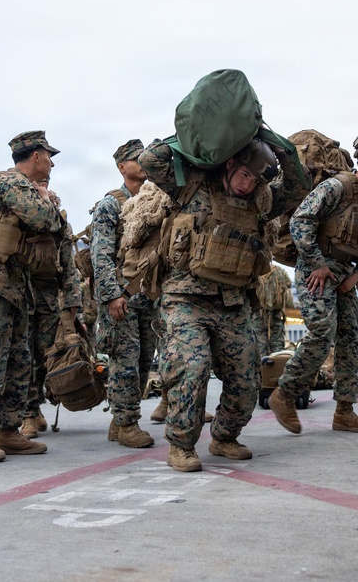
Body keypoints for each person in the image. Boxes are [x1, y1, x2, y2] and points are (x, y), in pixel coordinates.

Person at [140, 137, 306, 471]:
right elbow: (150, 160)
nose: (249, 185)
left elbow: (299, 187)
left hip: (232, 301)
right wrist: (201, 141)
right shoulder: (192, 185)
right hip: (185, 298)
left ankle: (224, 437)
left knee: (246, 376)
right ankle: (181, 445)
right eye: (245, 175)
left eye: (256, 181)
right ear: (230, 164)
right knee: (193, 366)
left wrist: (276, 144)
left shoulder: (260, 200)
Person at [269, 136, 358, 435]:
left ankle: (345, 410)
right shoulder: (336, 187)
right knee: (322, 332)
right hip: (316, 270)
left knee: (351, 340)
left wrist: (357, 277)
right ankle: (284, 394)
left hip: (344, 276)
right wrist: (317, 263)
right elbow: (300, 221)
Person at [0, 130, 71, 463]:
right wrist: (47, 200)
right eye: (49, 157)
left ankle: (9, 431)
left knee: (18, 362)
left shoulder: (19, 187)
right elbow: (47, 220)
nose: (51, 164)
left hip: (14, 289)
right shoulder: (12, 184)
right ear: (36, 157)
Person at [90, 139, 160, 448]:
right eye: (135, 158)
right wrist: (110, 295)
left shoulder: (154, 201)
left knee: (144, 361)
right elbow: (100, 254)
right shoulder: (111, 204)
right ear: (122, 167)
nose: (142, 162)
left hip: (147, 296)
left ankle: (120, 420)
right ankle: (127, 423)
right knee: (124, 361)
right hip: (122, 296)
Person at [20, 182, 81, 439]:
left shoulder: (59, 225)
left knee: (45, 356)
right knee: (22, 357)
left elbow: (69, 264)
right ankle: (27, 414)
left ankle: (34, 409)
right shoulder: (18, 221)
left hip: (47, 300)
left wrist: (72, 303)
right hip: (20, 296)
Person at [253, 264, 292, 357]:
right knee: (277, 346)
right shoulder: (280, 271)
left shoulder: (258, 269)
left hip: (259, 313)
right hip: (276, 313)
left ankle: (262, 369)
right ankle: (277, 369)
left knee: (260, 345)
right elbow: (288, 285)